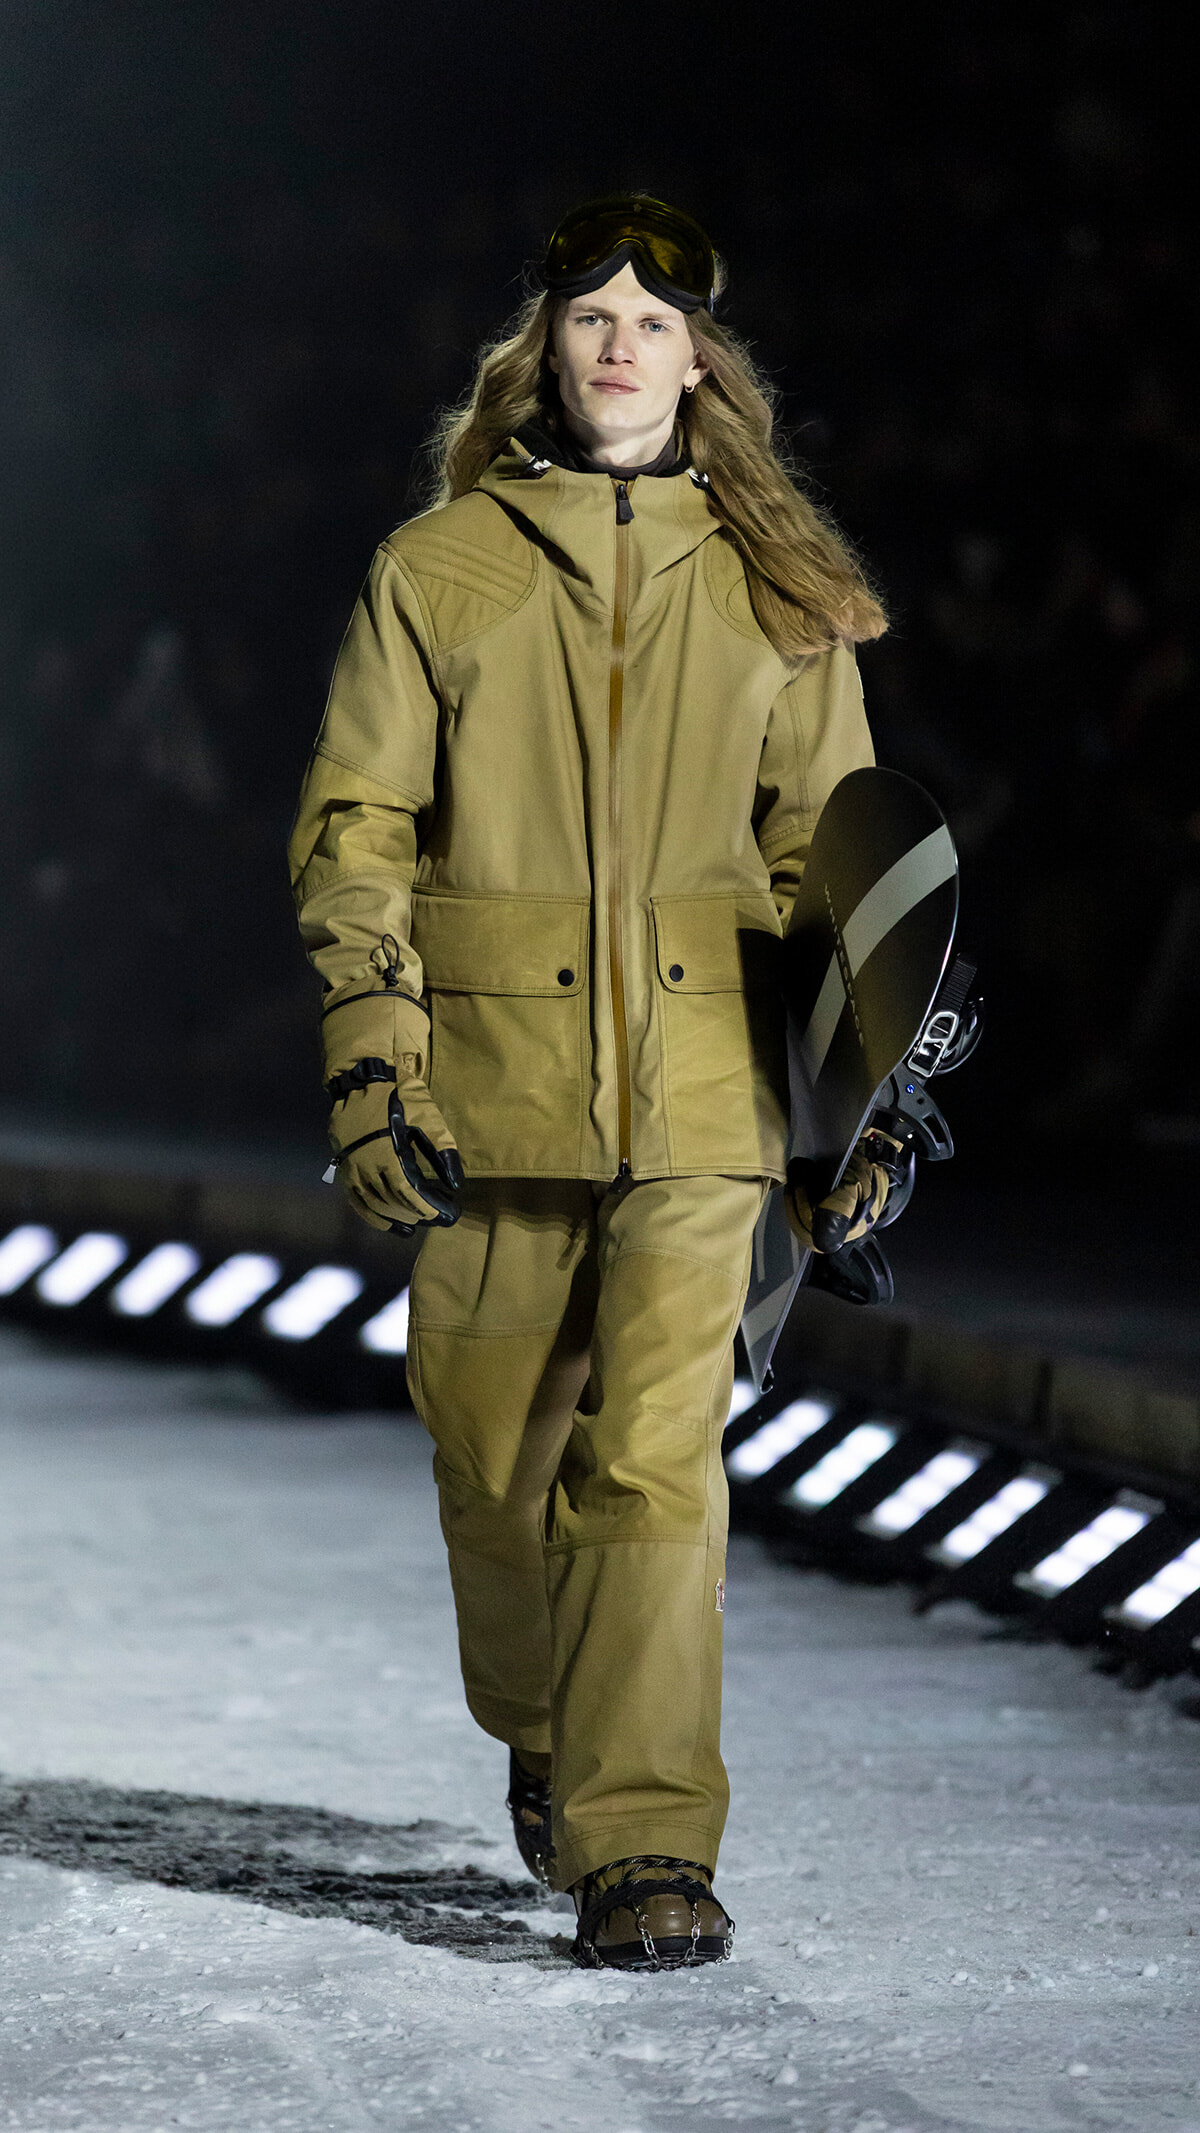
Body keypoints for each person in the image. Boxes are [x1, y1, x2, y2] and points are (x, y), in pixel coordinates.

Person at [288, 194, 886, 1970]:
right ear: (544, 350)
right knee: (495, 1458)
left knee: (655, 1461)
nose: (622, 345)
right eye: (591, 317)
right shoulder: (439, 568)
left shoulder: (781, 590)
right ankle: (550, 1728)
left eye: (654, 322)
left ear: (701, 362)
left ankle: (645, 1843)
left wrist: (854, 1110)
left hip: (709, 1090)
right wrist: (376, 1055)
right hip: (493, 1091)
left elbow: (833, 864)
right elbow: (359, 827)